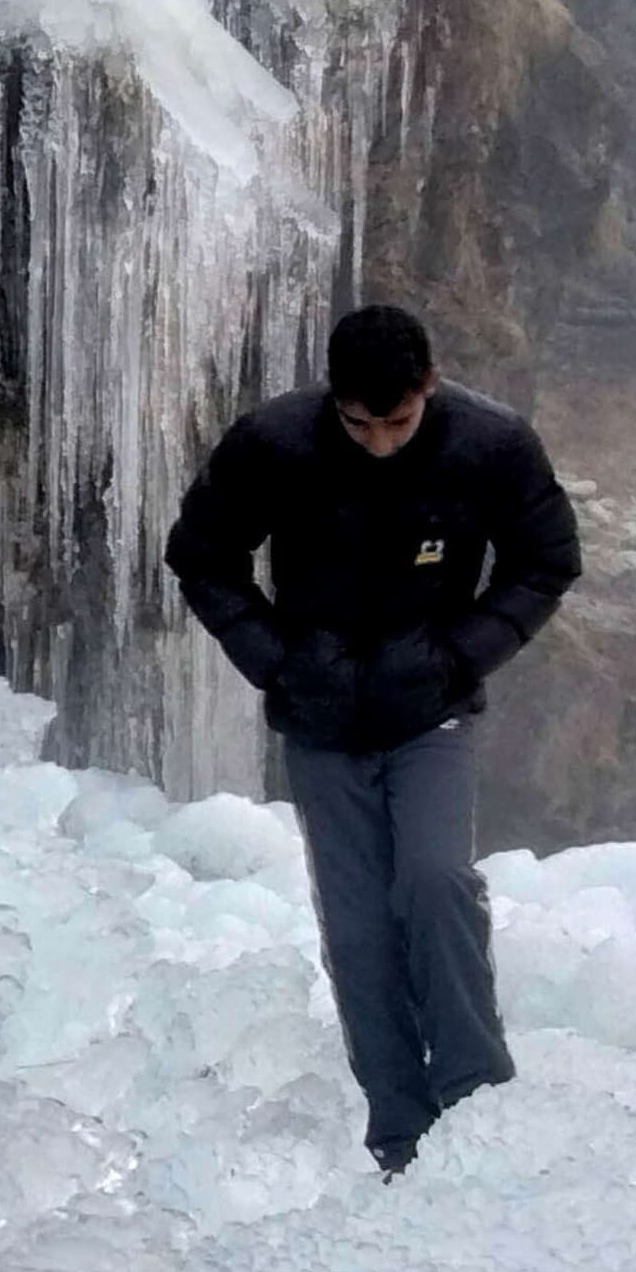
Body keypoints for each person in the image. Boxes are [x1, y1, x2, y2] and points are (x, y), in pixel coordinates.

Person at [165, 303, 580, 1175]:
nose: (381, 442)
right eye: (360, 424)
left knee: (434, 882)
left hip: (430, 710)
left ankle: (478, 1101)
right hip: (319, 719)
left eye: (398, 422)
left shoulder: (491, 444)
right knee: (357, 929)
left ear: (428, 388)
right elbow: (201, 554)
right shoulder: (274, 443)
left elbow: (547, 559)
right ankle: (401, 1132)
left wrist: (463, 654)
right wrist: (275, 663)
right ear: (333, 400)